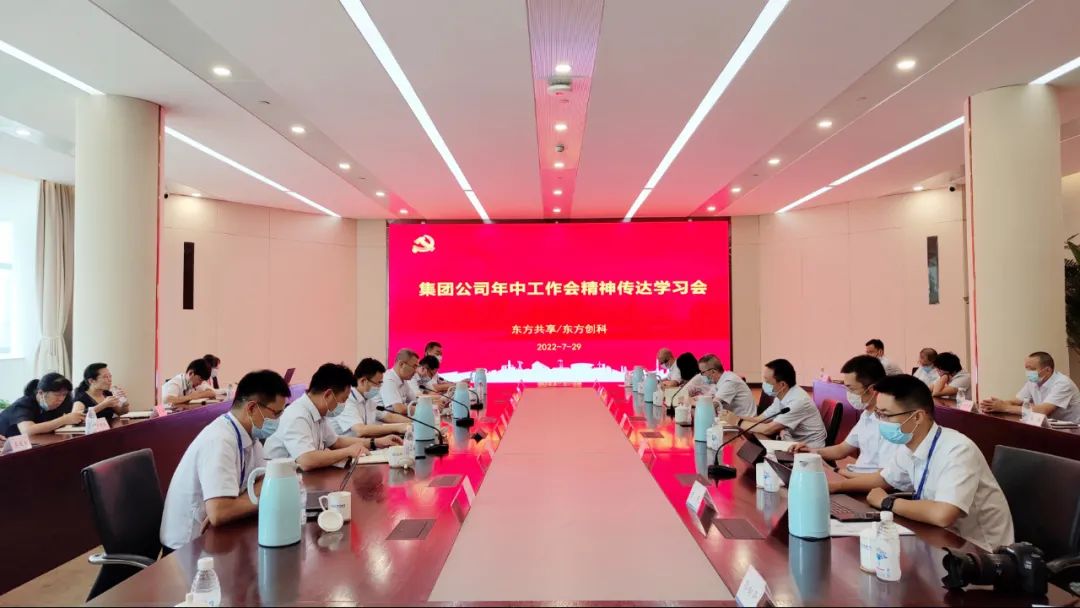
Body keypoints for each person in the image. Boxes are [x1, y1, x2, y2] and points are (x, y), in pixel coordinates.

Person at [826, 374, 1014, 550]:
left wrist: (887, 502)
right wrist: (837, 486)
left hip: (981, 550)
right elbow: (883, 479)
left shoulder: (957, 450)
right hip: (941, 537)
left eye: (885, 414)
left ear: (917, 417)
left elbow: (943, 514)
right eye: (878, 413)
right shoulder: (910, 443)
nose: (880, 421)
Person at [159, 369, 290, 550]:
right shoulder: (220, 440)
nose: (279, 420)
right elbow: (220, 512)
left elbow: (266, 480)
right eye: (276, 413)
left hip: (216, 536)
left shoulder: (249, 436)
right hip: (186, 549)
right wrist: (268, 498)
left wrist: (236, 505)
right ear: (252, 408)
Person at [266, 363, 398, 471]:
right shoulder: (297, 415)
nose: (344, 404)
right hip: (279, 479)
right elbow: (306, 460)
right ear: (328, 394)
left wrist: (376, 442)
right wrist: (348, 451)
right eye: (343, 399)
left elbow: (335, 442)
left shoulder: (319, 412)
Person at [789, 355, 898, 475]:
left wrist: (837, 473)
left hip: (865, 481)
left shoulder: (890, 424)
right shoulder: (867, 414)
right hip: (854, 475)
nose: (848, 394)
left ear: (872, 389)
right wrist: (810, 451)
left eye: (851, 389)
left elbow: (883, 478)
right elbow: (843, 449)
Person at [718, 359, 827, 448]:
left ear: (782, 384)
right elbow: (760, 419)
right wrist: (732, 416)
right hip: (792, 443)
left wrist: (737, 421)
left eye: (767, 381)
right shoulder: (782, 395)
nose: (764, 384)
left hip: (809, 450)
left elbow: (769, 429)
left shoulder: (798, 401)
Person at [979, 351, 1080, 423]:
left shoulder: (1063, 383)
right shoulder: (1033, 381)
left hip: (1073, 430)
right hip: (1050, 426)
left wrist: (1004, 407)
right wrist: (996, 404)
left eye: (1032, 369)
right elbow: (1016, 401)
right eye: (1027, 369)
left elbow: (1042, 410)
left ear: (1048, 370)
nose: (1028, 373)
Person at [329, 358, 409, 438]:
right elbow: (361, 430)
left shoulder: (368, 400)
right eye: (378, 383)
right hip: (346, 445)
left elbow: (389, 417)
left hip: (364, 443)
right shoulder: (346, 400)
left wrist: (411, 423)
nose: (380, 387)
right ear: (363, 381)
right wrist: (398, 427)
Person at [0, 373, 83, 437]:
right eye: (57, 395)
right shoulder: (23, 405)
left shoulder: (65, 400)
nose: (61, 399)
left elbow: (70, 417)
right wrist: (64, 420)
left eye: (64, 394)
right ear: (41, 393)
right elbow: (28, 430)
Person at [379, 349, 420, 419]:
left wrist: (431, 403)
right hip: (385, 423)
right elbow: (399, 409)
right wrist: (424, 408)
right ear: (401, 364)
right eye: (414, 366)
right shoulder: (388, 379)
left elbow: (415, 401)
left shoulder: (403, 380)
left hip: (398, 420)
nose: (416, 371)